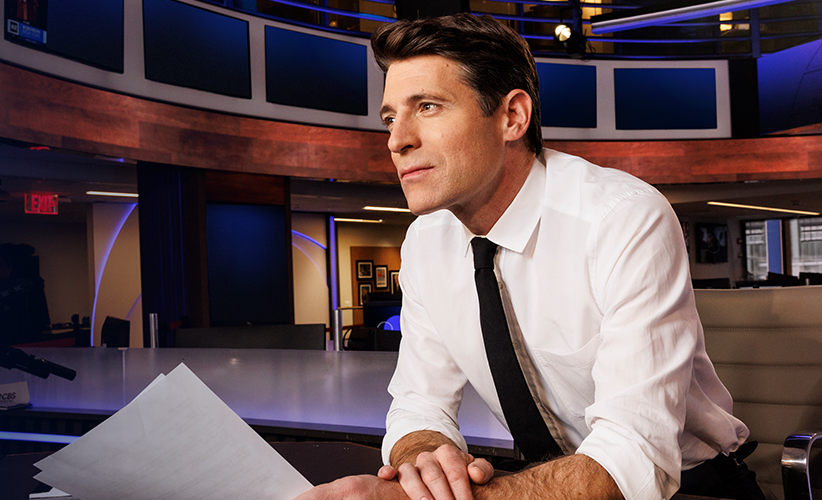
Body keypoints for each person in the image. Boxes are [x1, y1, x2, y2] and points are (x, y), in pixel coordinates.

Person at [294, 14, 761, 500]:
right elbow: (418, 403)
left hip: (689, 486)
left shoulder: (621, 218)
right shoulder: (426, 243)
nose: (397, 141)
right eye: (390, 118)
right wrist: (426, 460)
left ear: (512, 117)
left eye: (427, 107)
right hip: (544, 480)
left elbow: (634, 454)